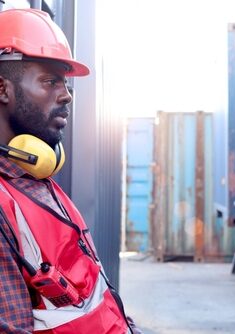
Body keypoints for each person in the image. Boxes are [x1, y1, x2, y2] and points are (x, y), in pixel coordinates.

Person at [0, 8, 141, 334]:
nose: (66, 95)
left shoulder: (38, 180)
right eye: (50, 81)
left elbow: (98, 294)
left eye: (65, 84)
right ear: (3, 89)